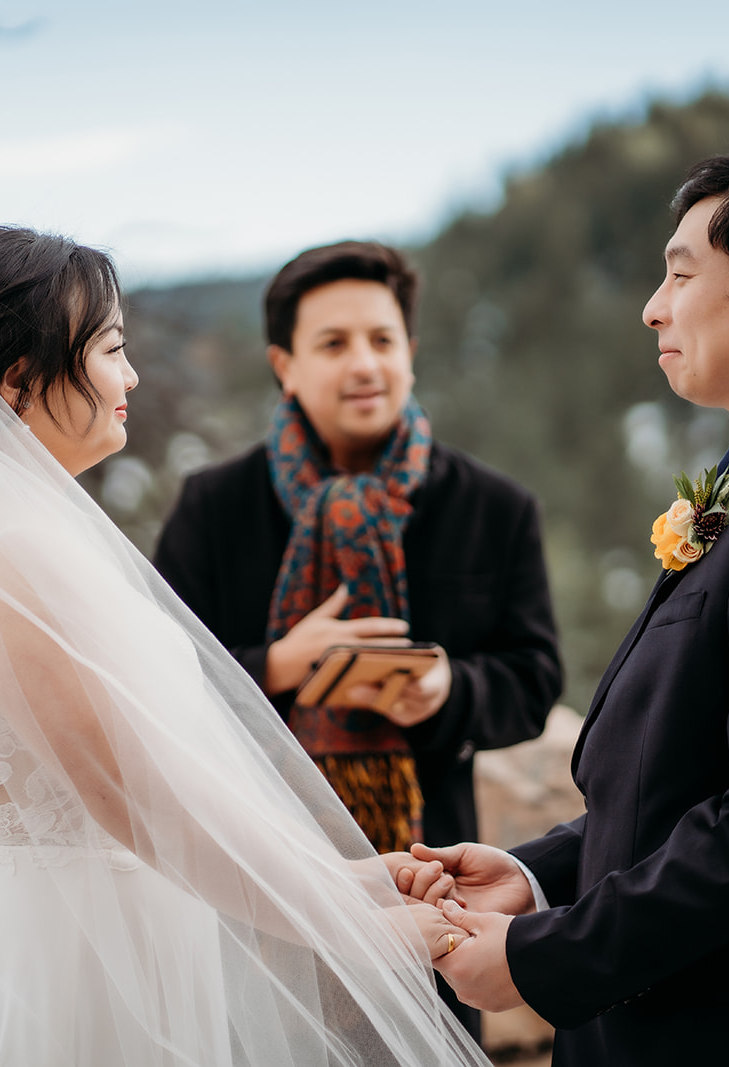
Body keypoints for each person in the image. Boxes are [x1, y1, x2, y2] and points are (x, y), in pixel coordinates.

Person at [0, 226, 488, 1066]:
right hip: (57, 984)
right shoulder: (14, 555)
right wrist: (356, 927)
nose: (132, 376)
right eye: (112, 350)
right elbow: (142, 799)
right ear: (16, 381)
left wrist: (356, 880)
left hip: (63, 942)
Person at [394, 151, 729, 1067]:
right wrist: (535, 877)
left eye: (682, 273)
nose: (654, 306)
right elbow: (686, 777)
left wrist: (544, 957)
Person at [153, 240, 563, 856]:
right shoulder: (213, 507)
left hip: (429, 862)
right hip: (255, 860)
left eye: (382, 340)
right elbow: (157, 670)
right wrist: (281, 665)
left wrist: (448, 688)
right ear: (284, 365)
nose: (365, 365)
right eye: (334, 344)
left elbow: (535, 677)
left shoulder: (494, 507)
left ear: (411, 354)